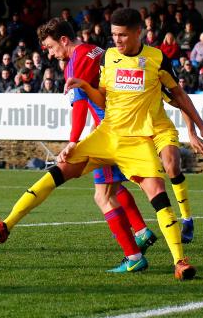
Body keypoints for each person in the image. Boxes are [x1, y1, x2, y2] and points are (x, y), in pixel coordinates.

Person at [0, 9, 203, 280]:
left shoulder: (157, 59)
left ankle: (180, 261)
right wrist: (84, 86)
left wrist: (200, 125)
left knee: (156, 192)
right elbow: (103, 98)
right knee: (59, 171)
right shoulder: (106, 56)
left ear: (138, 32)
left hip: (137, 141)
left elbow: (178, 95)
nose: (117, 40)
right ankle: (6, 225)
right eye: (114, 34)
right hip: (106, 136)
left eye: (123, 35)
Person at [31, 18, 159, 272]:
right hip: (124, 127)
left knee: (102, 195)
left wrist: (73, 141)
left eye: (50, 46)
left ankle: (134, 256)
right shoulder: (98, 50)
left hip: (108, 135)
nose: (50, 53)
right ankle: (142, 232)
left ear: (64, 40)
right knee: (114, 188)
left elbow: (80, 104)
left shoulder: (74, 63)